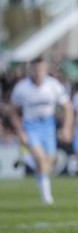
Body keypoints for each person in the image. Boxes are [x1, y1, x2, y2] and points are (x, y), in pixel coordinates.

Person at [9, 57, 73, 205]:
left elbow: (68, 108)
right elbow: (12, 111)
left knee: (47, 163)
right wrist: (20, 131)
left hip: (48, 126)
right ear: (30, 70)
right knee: (41, 160)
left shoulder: (53, 85)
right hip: (30, 127)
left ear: (45, 70)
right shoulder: (22, 88)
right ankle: (47, 198)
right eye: (35, 69)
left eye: (41, 69)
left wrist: (66, 128)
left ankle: (27, 159)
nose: (38, 72)